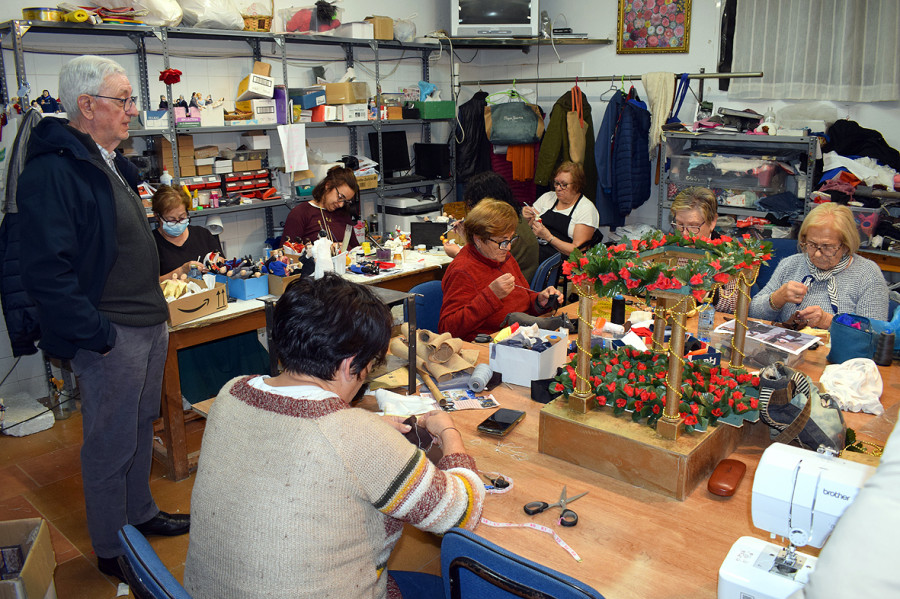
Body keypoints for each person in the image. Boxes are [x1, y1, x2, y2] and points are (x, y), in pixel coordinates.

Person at [184, 274, 484, 598]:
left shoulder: (232, 392)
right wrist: (449, 431)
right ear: (349, 365)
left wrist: (364, 431)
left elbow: (292, 441)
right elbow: (461, 512)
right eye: (369, 365)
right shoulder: (356, 437)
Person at [16, 55, 189, 583]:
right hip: (113, 332)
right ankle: (113, 545)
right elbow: (47, 271)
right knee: (110, 440)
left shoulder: (111, 160)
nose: (133, 111)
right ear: (87, 106)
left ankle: (140, 513)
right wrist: (98, 334)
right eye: (124, 99)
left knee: (139, 427)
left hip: (146, 321)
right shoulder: (53, 172)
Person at [439, 199, 564, 341]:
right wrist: (491, 296)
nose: (508, 247)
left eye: (511, 240)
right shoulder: (462, 270)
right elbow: (447, 329)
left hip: (519, 334)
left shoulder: (503, 257)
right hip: (488, 346)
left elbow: (523, 300)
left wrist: (539, 301)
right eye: (502, 241)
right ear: (478, 239)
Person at [750, 202, 889, 328]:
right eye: (811, 244)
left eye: (827, 247)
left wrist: (829, 321)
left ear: (846, 245)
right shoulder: (791, 264)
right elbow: (752, 313)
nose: (817, 254)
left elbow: (874, 332)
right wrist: (777, 298)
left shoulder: (868, 274)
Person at [444, 170, 541, 283]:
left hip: (510, 288)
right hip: (515, 283)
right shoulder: (513, 218)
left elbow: (481, 270)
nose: (472, 211)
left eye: (473, 206)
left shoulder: (503, 233)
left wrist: (458, 253)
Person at [670, 187, 738, 314]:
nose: (685, 233)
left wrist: (706, 290)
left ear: (712, 222)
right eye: (679, 224)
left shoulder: (729, 253)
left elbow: (735, 302)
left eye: (693, 226)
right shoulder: (668, 246)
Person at [523, 161, 602, 264]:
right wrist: (526, 218)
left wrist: (548, 237)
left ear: (577, 186)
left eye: (564, 185)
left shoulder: (586, 209)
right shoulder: (548, 197)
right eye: (556, 183)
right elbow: (530, 225)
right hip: (536, 247)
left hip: (560, 259)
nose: (558, 188)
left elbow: (577, 251)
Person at [152, 184, 222, 280]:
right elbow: (149, 286)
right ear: (157, 216)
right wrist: (182, 270)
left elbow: (222, 264)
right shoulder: (151, 244)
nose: (178, 222)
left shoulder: (203, 235)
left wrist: (219, 264)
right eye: (171, 220)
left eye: (182, 217)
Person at [282, 165, 360, 248]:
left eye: (345, 201)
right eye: (340, 197)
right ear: (328, 185)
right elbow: (287, 252)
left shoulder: (342, 214)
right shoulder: (300, 213)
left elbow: (355, 248)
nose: (341, 204)